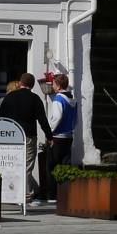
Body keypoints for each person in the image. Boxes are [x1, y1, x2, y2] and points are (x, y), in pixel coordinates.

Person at [0, 72, 52, 200]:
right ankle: (24, 195)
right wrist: (49, 136)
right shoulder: (35, 99)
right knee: (26, 166)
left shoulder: (8, 98)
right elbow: (42, 120)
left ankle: (9, 193)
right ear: (32, 85)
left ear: (20, 83)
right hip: (28, 135)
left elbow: (1, 117)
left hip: (10, 135)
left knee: (11, 164)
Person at [41, 72, 77, 202]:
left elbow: (56, 117)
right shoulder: (73, 99)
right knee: (65, 166)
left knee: (51, 166)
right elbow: (75, 119)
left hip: (57, 137)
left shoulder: (59, 99)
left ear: (58, 85)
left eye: (54, 84)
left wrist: (49, 132)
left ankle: (52, 195)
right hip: (69, 136)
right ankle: (65, 193)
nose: (53, 86)